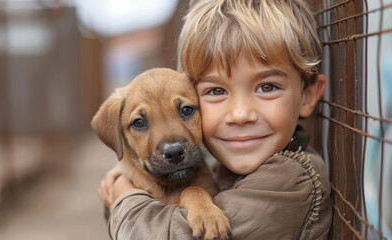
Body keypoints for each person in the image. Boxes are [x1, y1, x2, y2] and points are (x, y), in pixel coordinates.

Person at [98, 0, 332, 239]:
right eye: (217, 91)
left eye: (267, 86)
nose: (240, 114)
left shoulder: (290, 181)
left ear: (307, 97)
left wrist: (122, 194)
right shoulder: (223, 166)